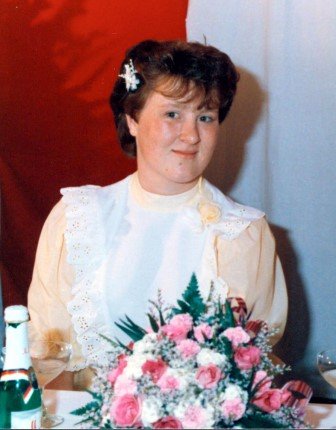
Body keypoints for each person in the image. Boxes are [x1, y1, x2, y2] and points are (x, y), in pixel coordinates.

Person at [27, 40, 287, 390]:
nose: (191, 135)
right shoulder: (76, 220)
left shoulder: (242, 233)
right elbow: (50, 359)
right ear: (132, 119)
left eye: (205, 117)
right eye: (172, 114)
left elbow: (250, 368)